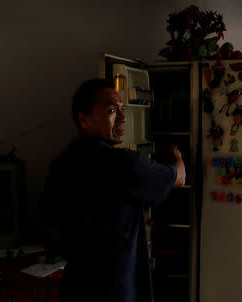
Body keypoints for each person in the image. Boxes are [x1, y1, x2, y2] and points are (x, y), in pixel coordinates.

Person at [42, 78, 186, 302]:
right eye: (112, 110)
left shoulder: (61, 162)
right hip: (117, 287)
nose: (123, 117)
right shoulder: (123, 163)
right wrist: (177, 157)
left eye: (122, 109)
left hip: (76, 285)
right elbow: (178, 178)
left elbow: (50, 226)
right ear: (84, 119)